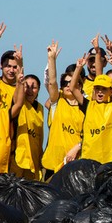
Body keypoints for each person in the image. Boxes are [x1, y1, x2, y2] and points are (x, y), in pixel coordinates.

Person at [67, 50, 112, 163]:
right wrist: (78, 68)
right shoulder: (88, 105)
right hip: (92, 160)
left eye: (104, 89)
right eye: (97, 89)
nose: (100, 92)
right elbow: (72, 88)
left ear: (111, 91)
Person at [41, 41, 86, 176]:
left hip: (75, 162)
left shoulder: (85, 105)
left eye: (71, 82)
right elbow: (52, 82)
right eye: (65, 83)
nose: (68, 85)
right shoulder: (57, 100)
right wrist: (51, 59)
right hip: (53, 162)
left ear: (80, 85)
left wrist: (77, 147)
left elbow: (89, 135)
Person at [11, 74, 44, 180]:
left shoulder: (40, 108)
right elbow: (17, 97)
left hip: (34, 158)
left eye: (33, 87)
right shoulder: (20, 103)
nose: (30, 90)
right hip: (18, 157)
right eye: (27, 86)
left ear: (38, 89)